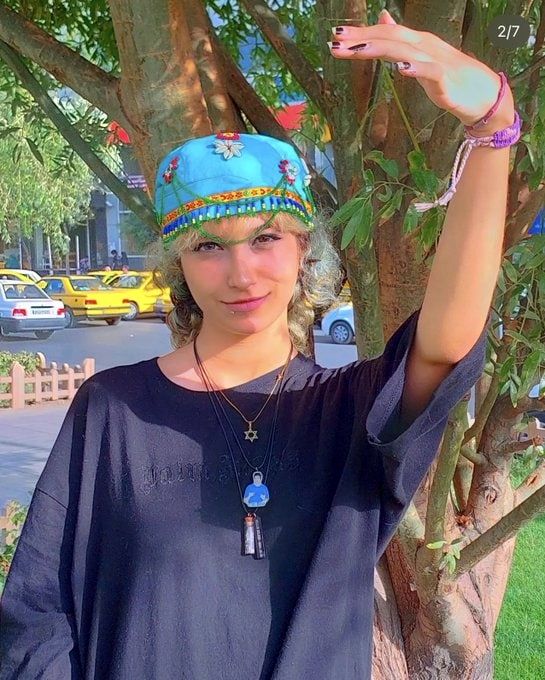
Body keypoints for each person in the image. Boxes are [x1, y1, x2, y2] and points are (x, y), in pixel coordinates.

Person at [0, 11, 519, 680]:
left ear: (305, 249)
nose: (241, 273)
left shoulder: (351, 413)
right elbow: (38, 613)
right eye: (208, 247)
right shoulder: (113, 411)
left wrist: (492, 130)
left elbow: (446, 343)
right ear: (177, 264)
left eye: (266, 238)